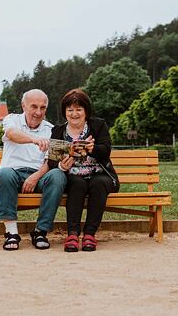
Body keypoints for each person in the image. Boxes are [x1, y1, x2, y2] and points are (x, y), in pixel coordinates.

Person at [48, 89, 119, 252]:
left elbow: (106, 151)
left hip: (100, 173)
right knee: (77, 183)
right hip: (72, 176)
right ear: (64, 112)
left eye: (79, 109)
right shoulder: (58, 131)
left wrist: (93, 149)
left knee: (98, 183)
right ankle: (72, 234)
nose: (74, 114)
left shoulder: (98, 126)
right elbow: (52, 161)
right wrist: (62, 166)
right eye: (70, 110)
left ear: (86, 111)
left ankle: (89, 234)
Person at [0, 89, 66, 251]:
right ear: (23, 106)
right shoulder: (11, 119)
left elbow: (52, 160)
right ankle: (11, 233)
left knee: (58, 175)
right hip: (12, 174)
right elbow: (12, 134)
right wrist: (34, 140)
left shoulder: (53, 130)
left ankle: (40, 231)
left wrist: (36, 176)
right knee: (4, 173)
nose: (38, 112)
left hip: (39, 176)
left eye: (43, 108)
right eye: (34, 106)